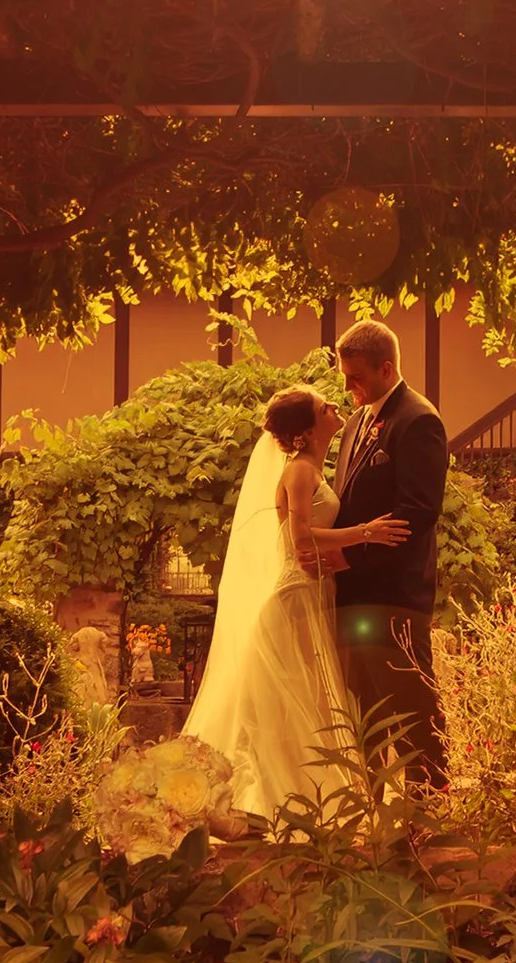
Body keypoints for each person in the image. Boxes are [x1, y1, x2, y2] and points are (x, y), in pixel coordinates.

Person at [182, 384, 410, 819]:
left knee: (307, 701)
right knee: (301, 701)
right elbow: (300, 537)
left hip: (313, 590)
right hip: (293, 600)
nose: (336, 407)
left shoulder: (314, 468)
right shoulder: (300, 472)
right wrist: (366, 532)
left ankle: (301, 799)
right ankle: (288, 800)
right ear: (307, 430)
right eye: (325, 407)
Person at [326, 318, 449, 781]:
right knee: (365, 713)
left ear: (386, 367)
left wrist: (348, 556)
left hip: (395, 596)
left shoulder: (418, 420)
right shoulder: (357, 421)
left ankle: (429, 808)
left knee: (412, 708)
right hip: (354, 595)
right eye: (344, 375)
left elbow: (417, 512)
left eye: (355, 376)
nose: (348, 385)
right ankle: (374, 809)